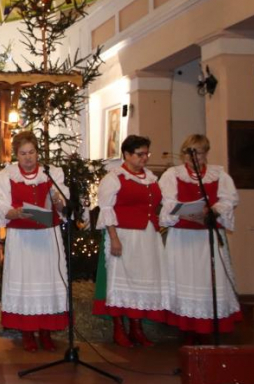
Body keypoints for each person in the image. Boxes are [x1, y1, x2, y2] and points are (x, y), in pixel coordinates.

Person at [159, 134, 242, 343]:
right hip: (183, 237)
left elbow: (229, 200)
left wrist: (212, 209)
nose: (194, 157)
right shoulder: (172, 174)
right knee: (185, 277)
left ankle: (207, 327)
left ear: (206, 153)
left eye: (199, 153)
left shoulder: (218, 174)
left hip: (207, 237)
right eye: (190, 153)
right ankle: (186, 328)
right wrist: (185, 212)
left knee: (208, 279)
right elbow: (168, 203)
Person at [0, 131, 68, 352]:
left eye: (31, 152)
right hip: (22, 237)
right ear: (16, 155)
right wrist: (15, 212)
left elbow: (63, 205)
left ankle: (46, 331)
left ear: (37, 152)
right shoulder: (6, 176)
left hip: (47, 235)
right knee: (25, 281)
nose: (28, 158)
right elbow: (2, 206)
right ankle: (27, 332)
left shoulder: (51, 173)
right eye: (23, 153)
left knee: (47, 279)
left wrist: (59, 200)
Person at [93, 135, 168, 347]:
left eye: (146, 154)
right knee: (122, 281)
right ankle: (119, 328)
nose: (144, 158)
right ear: (126, 154)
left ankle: (137, 328)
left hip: (147, 237)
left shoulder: (150, 178)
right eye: (139, 154)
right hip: (124, 235)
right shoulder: (114, 178)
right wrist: (114, 238)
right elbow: (106, 209)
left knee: (141, 280)